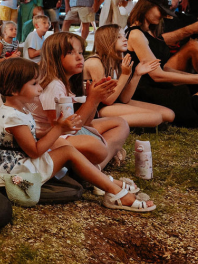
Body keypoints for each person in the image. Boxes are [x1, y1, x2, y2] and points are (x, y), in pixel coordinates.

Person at [0, 58, 154, 213]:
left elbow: (28, 135)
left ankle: (103, 181)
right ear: (13, 90)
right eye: (34, 84)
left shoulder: (15, 109)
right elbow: (34, 152)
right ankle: (114, 192)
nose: (40, 88)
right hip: (19, 170)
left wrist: (56, 132)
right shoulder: (14, 117)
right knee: (67, 151)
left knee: (62, 146)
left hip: (16, 161)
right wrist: (58, 129)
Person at [32, 32, 134, 169]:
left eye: (80, 52)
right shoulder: (53, 86)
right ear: (54, 57)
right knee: (97, 147)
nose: (79, 57)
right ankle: (92, 167)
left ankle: (93, 166)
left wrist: (96, 100)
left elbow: (85, 122)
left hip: (62, 134)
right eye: (70, 52)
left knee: (120, 123)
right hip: (48, 139)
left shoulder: (64, 83)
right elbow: (67, 129)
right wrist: (91, 100)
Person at [84, 25, 174, 128]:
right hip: (96, 107)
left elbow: (124, 99)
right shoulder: (95, 62)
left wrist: (137, 74)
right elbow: (107, 100)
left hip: (113, 102)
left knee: (169, 114)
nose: (125, 39)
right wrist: (125, 74)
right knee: (155, 117)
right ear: (106, 40)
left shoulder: (119, 62)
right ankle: (97, 124)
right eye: (119, 37)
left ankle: (119, 122)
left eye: (124, 35)